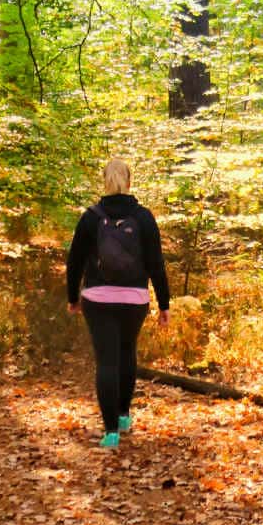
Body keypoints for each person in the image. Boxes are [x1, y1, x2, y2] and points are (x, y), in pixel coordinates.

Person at [66, 157, 171, 449]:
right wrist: (164, 304)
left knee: (106, 361)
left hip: (98, 298)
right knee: (127, 354)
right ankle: (124, 415)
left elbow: (74, 261)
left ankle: (111, 432)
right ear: (129, 181)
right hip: (134, 299)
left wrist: (73, 297)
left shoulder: (90, 217)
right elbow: (156, 264)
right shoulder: (144, 218)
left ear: (104, 181)